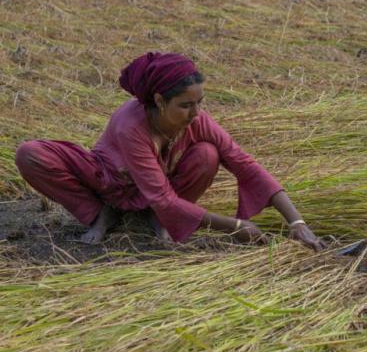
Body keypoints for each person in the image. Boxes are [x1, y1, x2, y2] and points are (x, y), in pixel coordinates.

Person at [15, 52, 325, 251]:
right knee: (30, 153)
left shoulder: (195, 120)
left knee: (208, 154)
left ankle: (160, 220)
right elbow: (162, 196)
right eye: (187, 105)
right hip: (110, 182)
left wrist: (297, 223)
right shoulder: (131, 126)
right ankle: (101, 214)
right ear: (161, 101)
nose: (196, 112)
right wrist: (234, 226)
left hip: (157, 194)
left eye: (200, 102)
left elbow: (243, 163)